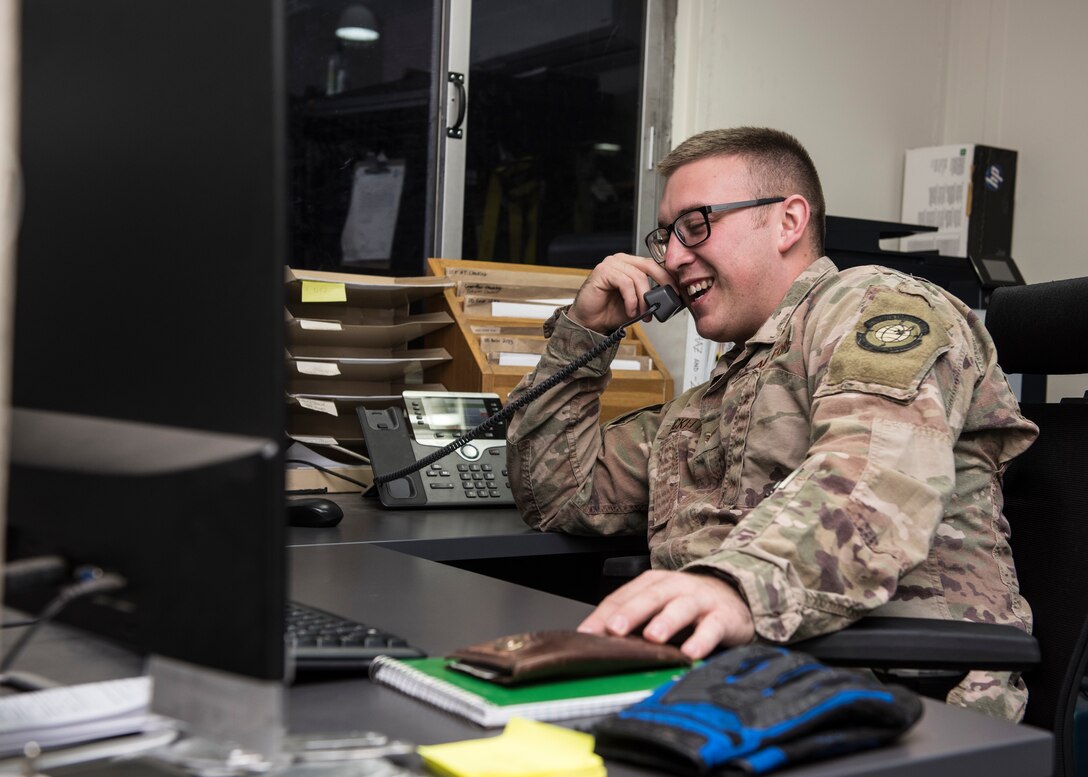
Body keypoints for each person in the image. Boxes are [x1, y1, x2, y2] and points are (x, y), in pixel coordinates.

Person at [505, 126, 1038, 721]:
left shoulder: (869, 304)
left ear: (788, 222)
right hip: (737, 689)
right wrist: (586, 333)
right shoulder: (708, 401)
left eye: (697, 224)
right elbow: (557, 495)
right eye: (667, 236)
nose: (674, 257)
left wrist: (733, 586)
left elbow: (873, 477)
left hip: (898, 705)